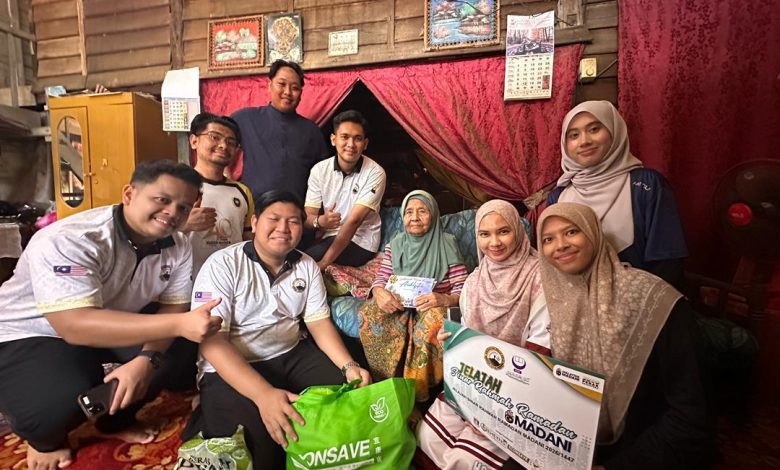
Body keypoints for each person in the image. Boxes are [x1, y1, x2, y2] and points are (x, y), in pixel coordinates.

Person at [0, 160, 223, 470]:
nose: (173, 212)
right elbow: (74, 326)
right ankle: (43, 439)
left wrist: (147, 360)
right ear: (129, 194)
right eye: (162, 200)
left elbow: (173, 305)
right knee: (57, 401)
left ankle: (115, 422)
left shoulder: (178, 243)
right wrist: (178, 325)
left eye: (183, 207)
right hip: (34, 332)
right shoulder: (72, 239)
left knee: (180, 354)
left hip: (115, 317)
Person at [182, 190, 371, 469]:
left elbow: (318, 322)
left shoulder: (306, 265)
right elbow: (212, 342)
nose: (283, 228)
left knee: (345, 405)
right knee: (263, 447)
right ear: (255, 222)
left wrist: (349, 365)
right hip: (232, 362)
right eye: (274, 219)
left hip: (290, 353)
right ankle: (208, 410)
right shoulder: (222, 264)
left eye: (293, 221)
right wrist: (263, 395)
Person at [536, 202, 711, 469]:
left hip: (640, 449)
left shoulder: (652, 299)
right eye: (548, 239)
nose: (560, 245)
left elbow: (690, 415)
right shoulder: (555, 300)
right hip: (575, 445)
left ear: (593, 233)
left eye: (571, 232)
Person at [417, 199, 552, 469]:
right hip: (474, 377)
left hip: (518, 385)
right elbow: (468, 332)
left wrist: (499, 388)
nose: (494, 242)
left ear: (518, 230)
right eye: (484, 234)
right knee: (426, 436)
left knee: (466, 460)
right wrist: (454, 340)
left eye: (503, 231)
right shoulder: (475, 280)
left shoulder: (540, 277)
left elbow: (541, 348)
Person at [547, 100, 688, 288]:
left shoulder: (645, 185)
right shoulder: (558, 197)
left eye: (594, 129)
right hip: (576, 299)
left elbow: (668, 263)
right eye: (573, 135)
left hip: (641, 298)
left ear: (614, 132)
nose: (584, 141)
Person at [359, 190, 467, 403]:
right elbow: (381, 278)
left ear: (433, 215)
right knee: (371, 312)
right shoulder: (396, 243)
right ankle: (387, 385)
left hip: (432, 306)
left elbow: (463, 288)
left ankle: (417, 396)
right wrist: (379, 292)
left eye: (422, 211)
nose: (414, 218)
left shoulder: (447, 243)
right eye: (409, 212)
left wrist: (444, 299)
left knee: (435, 322)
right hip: (399, 305)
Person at [231, 59, 328, 210]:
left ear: (301, 93)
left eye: (294, 87)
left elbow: (324, 175)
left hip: (296, 215)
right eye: (281, 84)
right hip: (253, 212)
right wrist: (228, 185)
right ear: (269, 85)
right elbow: (219, 144)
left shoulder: (311, 131)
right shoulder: (246, 118)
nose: (287, 92)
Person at [304, 110, 386, 271]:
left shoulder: (375, 172)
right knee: (295, 255)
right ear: (333, 139)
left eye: (358, 139)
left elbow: (354, 221)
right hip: (328, 236)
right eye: (344, 137)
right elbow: (308, 218)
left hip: (362, 240)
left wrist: (324, 262)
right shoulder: (319, 170)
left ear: (365, 144)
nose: (351, 144)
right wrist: (320, 221)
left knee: (304, 260)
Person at [181, 112, 254, 278]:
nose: (223, 145)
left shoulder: (242, 191)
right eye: (214, 137)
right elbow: (151, 236)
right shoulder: (177, 185)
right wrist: (185, 225)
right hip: (186, 281)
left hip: (232, 280)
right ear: (194, 141)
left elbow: (247, 239)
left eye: (231, 142)